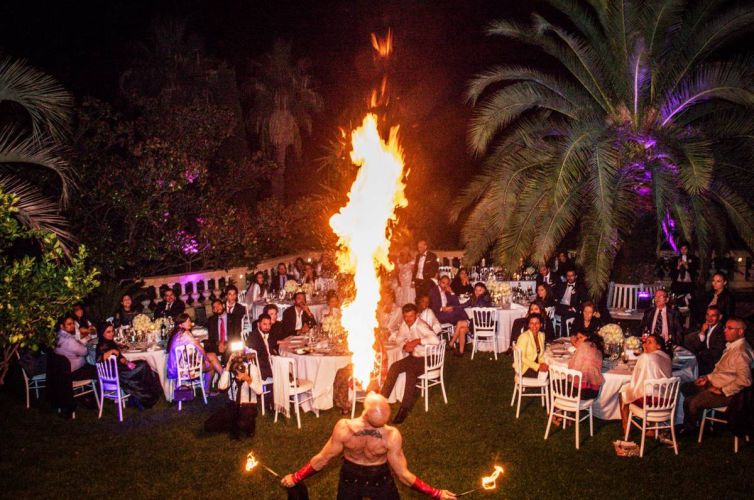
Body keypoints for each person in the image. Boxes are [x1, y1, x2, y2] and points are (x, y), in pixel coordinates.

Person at [281, 393, 456, 499]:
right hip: (379, 479)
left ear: (365, 412)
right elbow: (403, 475)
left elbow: (322, 459)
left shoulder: (345, 428)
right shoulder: (391, 436)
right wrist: (436, 493)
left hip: (351, 478)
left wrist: (295, 477)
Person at [680, 317, 753, 435]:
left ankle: (691, 429)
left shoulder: (741, 352)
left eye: (730, 328)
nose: (725, 331)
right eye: (725, 328)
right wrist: (707, 378)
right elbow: (722, 372)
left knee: (691, 402)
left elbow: (745, 380)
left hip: (728, 393)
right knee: (685, 387)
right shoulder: (732, 346)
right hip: (714, 385)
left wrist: (723, 390)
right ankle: (693, 419)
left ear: (740, 331)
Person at [380, 304, 440, 424]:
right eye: (405, 316)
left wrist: (416, 341)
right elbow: (399, 339)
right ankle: (381, 401)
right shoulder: (405, 325)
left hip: (428, 358)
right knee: (394, 367)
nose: (408, 319)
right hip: (415, 356)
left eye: (411, 316)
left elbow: (436, 340)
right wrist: (405, 346)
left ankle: (404, 409)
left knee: (411, 372)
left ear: (416, 315)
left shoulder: (421, 325)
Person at [96, 323, 162, 408]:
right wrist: (110, 351)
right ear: (102, 333)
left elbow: (120, 357)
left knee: (143, 363)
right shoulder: (101, 345)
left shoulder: (111, 342)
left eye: (112, 331)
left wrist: (127, 362)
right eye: (108, 332)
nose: (112, 333)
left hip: (120, 368)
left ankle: (150, 392)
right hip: (115, 373)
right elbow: (98, 360)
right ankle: (147, 396)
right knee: (142, 367)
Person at [619, 334, 672, 432]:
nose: (645, 345)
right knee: (649, 389)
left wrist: (632, 390)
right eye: (645, 342)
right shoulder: (667, 357)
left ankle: (625, 427)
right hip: (667, 399)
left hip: (652, 401)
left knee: (623, 393)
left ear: (658, 346)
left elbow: (637, 379)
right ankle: (651, 429)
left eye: (650, 342)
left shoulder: (646, 357)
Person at [204, 350, 263, 439]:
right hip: (233, 405)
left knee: (242, 425)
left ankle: (245, 424)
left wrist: (248, 379)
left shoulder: (252, 368)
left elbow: (259, 391)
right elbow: (221, 387)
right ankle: (233, 423)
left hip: (248, 405)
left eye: (239, 356)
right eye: (235, 356)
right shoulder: (230, 370)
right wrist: (227, 367)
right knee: (208, 425)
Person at [166, 313, 212, 385]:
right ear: (180, 325)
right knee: (211, 365)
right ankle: (207, 389)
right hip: (183, 369)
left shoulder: (177, 333)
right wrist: (206, 359)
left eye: (189, 320)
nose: (189, 323)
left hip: (174, 367)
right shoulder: (185, 333)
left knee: (213, 356)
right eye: (186, 321)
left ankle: (224, 377)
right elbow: (200, 348)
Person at [430, 276, 470, 355]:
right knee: (460, 310)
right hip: (438, 315)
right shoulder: (433, 291)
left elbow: (456, 303)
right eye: (443, 283)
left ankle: (453, 343)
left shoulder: (447, 291)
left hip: (448, 313)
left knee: (460, 320)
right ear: (439, 282)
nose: (445, 285)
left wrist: (451, 292)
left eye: (447, 284)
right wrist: (443, 309)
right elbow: (433, 307)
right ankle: (468, 323)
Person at [684, 305, 726, 376]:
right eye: (707, 315)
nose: (709, 318)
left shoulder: (721, 332)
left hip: (714, 364)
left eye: (713, 316)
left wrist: (698, 356)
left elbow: (716, 354)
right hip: (705, 359)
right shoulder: (707, 326)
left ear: (720, 317)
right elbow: (699, 345)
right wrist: (702, 332)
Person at [54, 314, 96, 380]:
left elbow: (76, 347)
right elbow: (85, 352)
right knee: (99, 369)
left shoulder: (58, 336)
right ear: (62, 326)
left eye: (73, 323)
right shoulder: (68, 339)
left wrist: (79, 344)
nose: (73, 326)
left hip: (63, 372)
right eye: (69, 324)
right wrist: (81, 345)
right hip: (75, 372)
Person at [567, 332, 604, 400]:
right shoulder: (599, 352)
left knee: (557, 382)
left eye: (580, 338)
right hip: (593, 392)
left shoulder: (584, 346)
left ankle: (559, 407)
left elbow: (572, 367)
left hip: (579, 391)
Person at [513, 314, 548, 379]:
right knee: (550, 374)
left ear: (541, 324)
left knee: (552, 368)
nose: (534, 326)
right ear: (528, 325)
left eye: (537, 323)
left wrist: (543, 363)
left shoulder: (541, 335)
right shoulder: (524, 337)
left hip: (535, 364)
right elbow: (521, 358)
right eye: (532, 323)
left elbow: (541, 354)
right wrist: (538, 366)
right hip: (524, 368)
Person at [205, 299, 231, 377]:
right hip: (217, 344)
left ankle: (226, 376)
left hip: (230, 344)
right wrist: (218, 343)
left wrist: (226, 344)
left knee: (230, 351)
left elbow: (236, 336)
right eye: (214, 307)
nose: (217, 308)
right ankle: (217, 376)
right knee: (207, 348)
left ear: (223, 305)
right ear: (213, 310)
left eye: (218, 305)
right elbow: (211, 338)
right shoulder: (211, 320)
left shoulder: (233, 318)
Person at [246, 313, 274, 382]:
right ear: (258, 324)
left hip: (269, 363)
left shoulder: (268, 334)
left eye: (269, 324)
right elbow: (253, 359)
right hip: (261, 368)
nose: (267, 327)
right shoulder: (253, 337)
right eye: (264, 324)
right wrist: (272, 366)